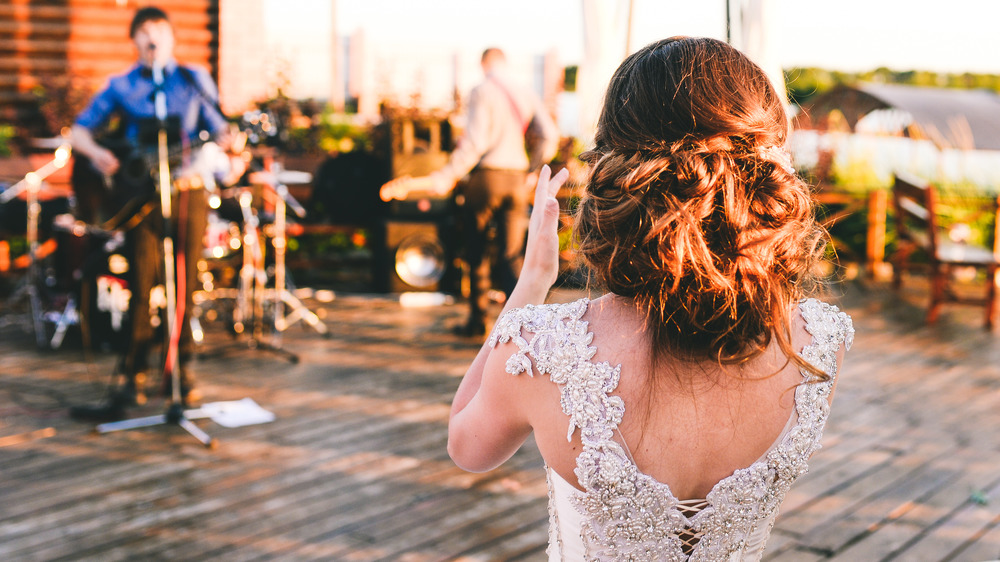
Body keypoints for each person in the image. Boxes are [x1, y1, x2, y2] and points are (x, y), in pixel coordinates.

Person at [447, 37, 855, 560]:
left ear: (615, 171)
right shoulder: (820, 344)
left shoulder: (541, 347)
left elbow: (468, 447)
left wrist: (532, 282)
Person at [69, 6, 241, 420]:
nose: (152, 39)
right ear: (135, 40)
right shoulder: (121, 85)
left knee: (184, 286)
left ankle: (182, 372)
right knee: (141, 284)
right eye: (144, 33)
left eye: (159, 32)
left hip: (188, 192)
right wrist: (99, 155)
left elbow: (221, 126)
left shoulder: (192, 79)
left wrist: (231, 141)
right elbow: (78, 131)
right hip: (140, 200)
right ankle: (134, 376)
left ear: (171, 39)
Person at [380, 47, 560, 337]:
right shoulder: (525, 91)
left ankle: (478, 322)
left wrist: (447, 175)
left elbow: (474, 142)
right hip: (516, 180)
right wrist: (533, 169)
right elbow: (550, 135)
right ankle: (526, 329)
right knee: (511, 255)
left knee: (477, 252)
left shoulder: (482, 89)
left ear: (484, 63)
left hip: (486, 178)